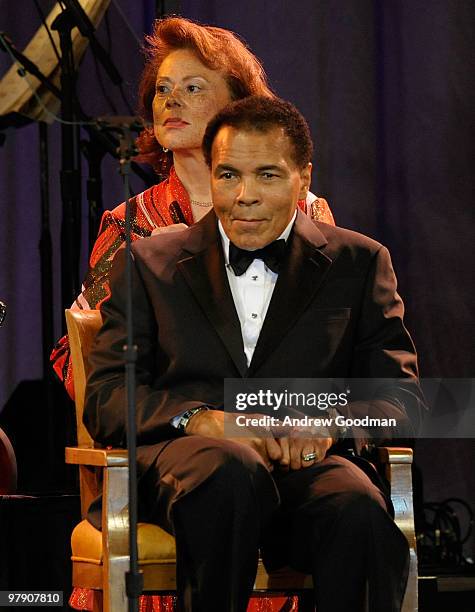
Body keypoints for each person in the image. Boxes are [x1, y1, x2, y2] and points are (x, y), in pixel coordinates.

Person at [84, 96, 425, 612]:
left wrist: (328, 421)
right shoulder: (149, 263)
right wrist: (202, 420)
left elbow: (402, 396)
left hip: (306, 468)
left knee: (358, 510)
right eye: (227, 175)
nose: (243, 196)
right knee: (230, 469)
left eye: (266, 175)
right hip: (194, 472)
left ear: (303, 179)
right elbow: (108, 395)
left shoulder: (358, 262)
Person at [50, 16, 334, 401]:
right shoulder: (131, 224)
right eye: (162, 89)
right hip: (180, 433)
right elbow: (76, 358)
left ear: (239, 107)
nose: (171, 100)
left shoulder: (301, 209)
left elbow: (334, 339)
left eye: (193, 88)